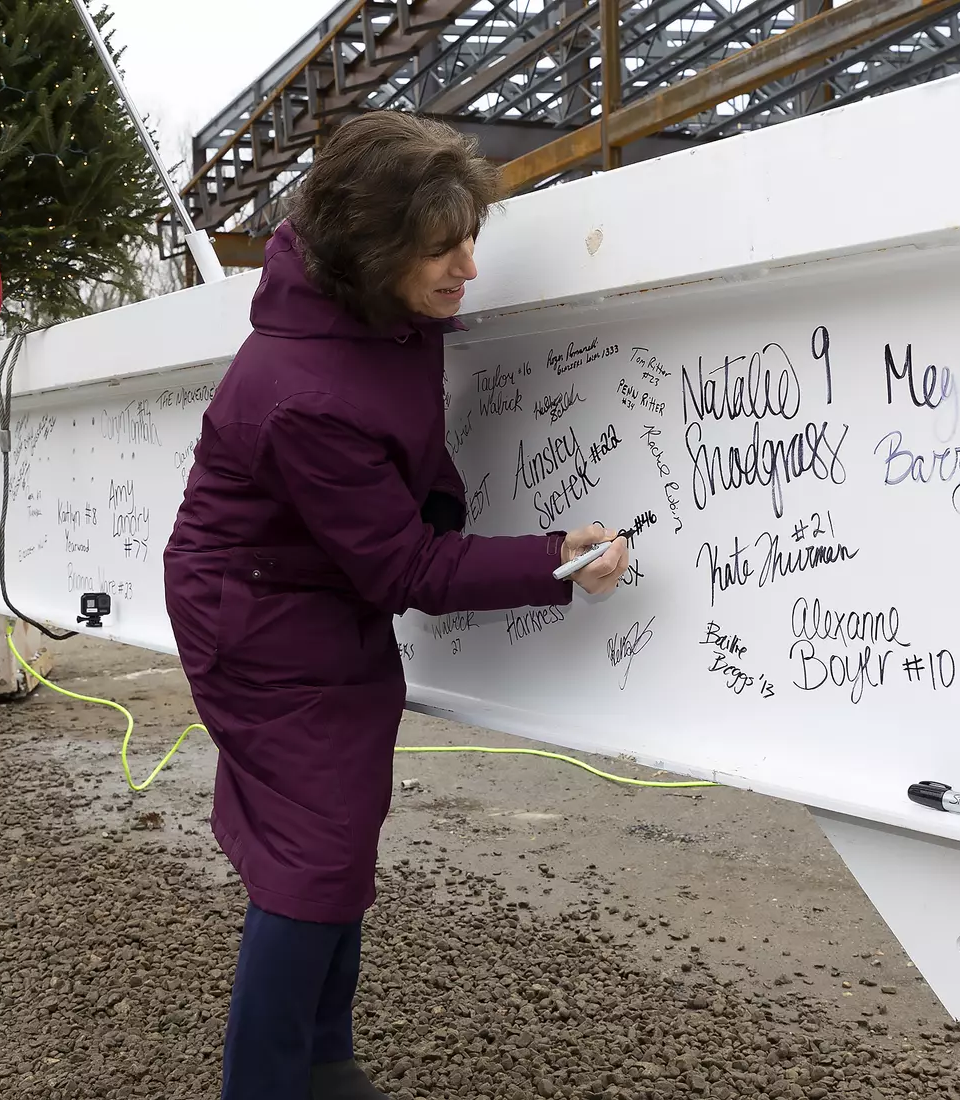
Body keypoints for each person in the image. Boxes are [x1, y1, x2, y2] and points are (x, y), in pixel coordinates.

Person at [162, 110, 630, 1100]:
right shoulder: (302, 391)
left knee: (340, 826)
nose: (468, 266)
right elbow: (405, 569)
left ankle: (324, 1062)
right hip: (254, 615)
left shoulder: (375, 312)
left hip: (314, 591)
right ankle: (266, 1084)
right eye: (439, 246)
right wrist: (551, 558)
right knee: (313, 853)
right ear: (372, 250)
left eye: (471, 236)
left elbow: (401, 471)